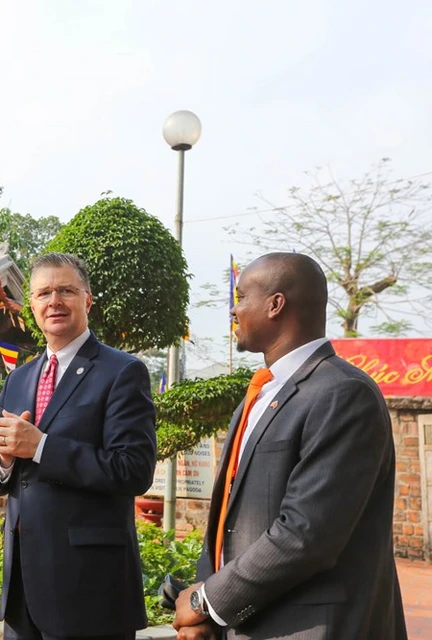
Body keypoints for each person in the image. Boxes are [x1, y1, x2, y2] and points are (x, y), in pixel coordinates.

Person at [172, 252, 407, 640]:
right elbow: (228, 522)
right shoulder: (260, 394)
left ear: (275, 304)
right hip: (250, 623)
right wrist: (209, 615)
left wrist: (208, 601)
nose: (233, 309)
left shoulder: (343, 393)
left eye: (242, 297)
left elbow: (306, 534)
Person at [0, 252, 157, 640]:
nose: (54, 301)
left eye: (65, 291)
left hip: (89, 589)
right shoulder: (17, 379)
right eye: (43, 293)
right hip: (23, 588)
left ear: (87, 300)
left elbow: (134, 470)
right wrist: (5, 460)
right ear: (32, 306)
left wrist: (42, 447)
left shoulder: (122, 371)